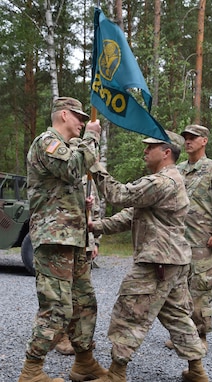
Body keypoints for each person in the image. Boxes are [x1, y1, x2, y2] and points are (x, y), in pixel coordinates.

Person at [86, 130, 208, 382]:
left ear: (166, 153)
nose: (144, 151)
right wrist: (96, 226)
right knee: (176, 316)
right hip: (172, 261)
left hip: (157, 262)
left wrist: (92, 164)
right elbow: (131, 215)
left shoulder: (163, 182)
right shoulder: (168, 181)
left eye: (150, 147)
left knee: (129, 313)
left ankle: (116, 374)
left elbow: (118, 195)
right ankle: (197, 371)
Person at [18, 97, 107, 382]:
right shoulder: (47, 142)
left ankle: (84, 362)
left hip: (74, 239)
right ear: (64, 114)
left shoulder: (68, 147)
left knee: (84, 303)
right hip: (55, 238)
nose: (83, 122)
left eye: (85, 119)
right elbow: (72, 169)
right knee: (56, 306)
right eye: (79, 117)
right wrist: (92, 136)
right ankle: (31, 370)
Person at [165, 124, 212, 351]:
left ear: (204, 140)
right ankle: (182, 336)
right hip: (179, 241)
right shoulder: (178, 169)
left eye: (193, 138)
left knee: (199, 291)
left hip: (203, 242)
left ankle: (201, 337)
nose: (188, 141)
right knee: (179, 291)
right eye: (186, 137)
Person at [55, 141, 101, 355]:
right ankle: (61, 335)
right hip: (64, 240)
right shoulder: (60, 174)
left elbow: (97, 215)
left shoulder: (88, 178)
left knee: (82, 294)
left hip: (84, 241)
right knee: (62, 292)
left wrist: (95, 242)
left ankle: (79, 338)